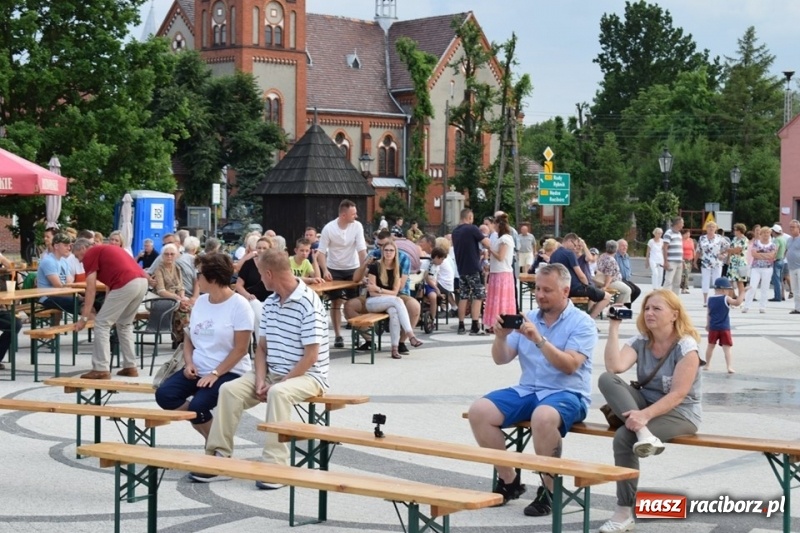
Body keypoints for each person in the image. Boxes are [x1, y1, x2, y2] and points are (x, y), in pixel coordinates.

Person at [467, 263, 596, 515]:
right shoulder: (528, 317)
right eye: (537, 288)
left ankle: (550, 490)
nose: (540, 295)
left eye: (547, 290)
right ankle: (509, 480)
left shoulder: (583, 323)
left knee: (543, 416)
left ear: (565, 291)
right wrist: (501, 336)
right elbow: (501, 359)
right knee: (479, 411)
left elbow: (569, 366)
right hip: (529, 390)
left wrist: (539, 340)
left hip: (568, 393)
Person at [201, 249, 329, 487]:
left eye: (260, 273)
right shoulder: (269, 303)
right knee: (229, 390)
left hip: (309, 376)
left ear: (269, 274)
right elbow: (261, 349)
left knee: (278, 393)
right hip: (272, 372)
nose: (259, 279)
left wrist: (278, 383)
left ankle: (275, 466)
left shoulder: (309, 303)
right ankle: (218, 455)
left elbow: (311, 357)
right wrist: (260, 379)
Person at [598, 289, 703, 533]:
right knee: (606, 379)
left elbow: (678, 394)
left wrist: (644, 415)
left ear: (674, 314)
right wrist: (614, 327)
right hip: (644, 407)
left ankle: (623, 512)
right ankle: (644, 433)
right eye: (646, 308)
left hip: (682, 412)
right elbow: (615, 367)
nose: (649, 313)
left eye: (657, 308)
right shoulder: (641, 341)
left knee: (625, 436)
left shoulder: (687, 347)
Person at [155, 253, 254, 446]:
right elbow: (189, 337)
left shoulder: (239, 305)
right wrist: (189, 363)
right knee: (165, 395)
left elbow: (241, 349)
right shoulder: (201, 301)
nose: (196, 278)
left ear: (213, 278)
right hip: (198, 368)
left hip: (230, 370)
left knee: (199, 406)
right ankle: (214, 440)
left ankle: (217, 448)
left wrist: (216, 374)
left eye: (199, 273)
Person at [72, 238, 149, 379]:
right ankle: (130, 366)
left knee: (101, 324)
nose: (79, 260)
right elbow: (110, 282)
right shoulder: (107, 249)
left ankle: (100, 368)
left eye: (77, 256)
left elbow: (90, 289)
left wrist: (84, 317)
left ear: (83, 248)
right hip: (142, 282)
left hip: (126, 283)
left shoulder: (90, 254)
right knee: (125, 324)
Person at [316, 199, 368, 349]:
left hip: (353, 267)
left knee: (353, 303)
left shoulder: (357, 226)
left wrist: (363, 271)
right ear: (344, 215)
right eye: (354, 214)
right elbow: (321, 252)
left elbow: (361, 251)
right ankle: (338, 335)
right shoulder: (329, 228)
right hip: (334, 268)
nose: (356, 216)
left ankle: (357, 334)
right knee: (336, 302)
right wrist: (325, 270)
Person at [365, 238, 424, 359]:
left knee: (394, 312)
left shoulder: (398, 268)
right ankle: (410, 334)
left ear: (395, 252)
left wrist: (380, 290)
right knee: (398, 300)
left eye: (391, 250)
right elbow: (371, 291)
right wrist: (384, 293)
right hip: (372, 302)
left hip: (387, 301)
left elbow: (395, 292)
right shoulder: (375, 266)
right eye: (386, 250)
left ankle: (394, 348)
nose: (388, 253)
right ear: (382, 251)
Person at [549, 233, 611, 319]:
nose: (575, 248)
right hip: (575, 288)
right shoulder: (569, 254)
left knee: (593, 294)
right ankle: (590, 320)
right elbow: (581, 275)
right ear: (570, 241)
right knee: (607, 297)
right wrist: (586, 286)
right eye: (574, 245)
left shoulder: (553, 255)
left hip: (562, 288)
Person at [452, 208, 492, 335]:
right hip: (473, 267)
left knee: (463, 295)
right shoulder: (472, 228)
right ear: (469, 217)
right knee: (478, 295)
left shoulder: (455, 231)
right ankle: (475, 325)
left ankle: (461, 324)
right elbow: (487, 243)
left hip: (461, 267)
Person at [153, 243, 192, 346]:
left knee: (189, 306)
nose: (169, 256)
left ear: (176, 255)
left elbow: (180, 286)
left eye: (172, 254)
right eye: (166, 254)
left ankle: (185, 338)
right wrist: (178, 298)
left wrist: (182, 297)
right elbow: (161, 290)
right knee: (182, 308)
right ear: (162, 255)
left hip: (176, 297)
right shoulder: (159, 269)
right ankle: (180, 339)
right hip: (163, 299)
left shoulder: (177, 268)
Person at [484, 213, 516, 334]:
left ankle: (500, 322)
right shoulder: (501, 238)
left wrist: (490, 248)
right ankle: (494, 322)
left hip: (502, 272)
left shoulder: (505, 239)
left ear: (498, 225)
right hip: (497, 271)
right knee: (496, 298)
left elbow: (501, 257)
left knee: (500, 299)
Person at [705, 277, 743, 373]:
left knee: (710, 346)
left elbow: (708, 313)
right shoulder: (726, 298)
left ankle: (707, 364)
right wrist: (743, 293)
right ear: (723, 290)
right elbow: (737, 303)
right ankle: (729, 366)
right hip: (724, 327)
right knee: (727, 348)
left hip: (713, 327)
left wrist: (707, 324)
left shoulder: (710, 299)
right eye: (728, 290)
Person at [234, 237, 273, 324]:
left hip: (268, 302)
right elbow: (239, 285)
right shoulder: (248, 264)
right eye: (259, 248)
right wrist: (248, 295)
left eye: (264, 248)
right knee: (255, 306)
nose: (261, 250)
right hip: (251, 300)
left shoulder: (274, 265)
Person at [36, 232, 77, 315]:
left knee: (89, 304)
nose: (69, 248)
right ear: (56, 246)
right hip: (47, 297)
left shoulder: (64, 261)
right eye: (66, 245)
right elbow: (58, 286)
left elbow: (69, 283)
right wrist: (77, 296)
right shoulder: (49, 261)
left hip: (59, 295)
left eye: (69, 246)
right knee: (83, 303)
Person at [743, 226, 776, 314]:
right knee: (752, 286)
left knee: (765, 288)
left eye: (768, 233)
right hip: (756, 268)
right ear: (760, 234)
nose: (766, 235)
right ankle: (746, 306)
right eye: (764, 233)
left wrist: (760, 254)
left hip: (768, 268)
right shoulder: (756, 243)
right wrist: (766, 255)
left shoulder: (772, 245)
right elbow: (754, 254)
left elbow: (772, 256)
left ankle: (762, 306)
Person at [695, 222, 724, 307]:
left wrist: (723, 255)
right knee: (705, 280)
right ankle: (705, 300)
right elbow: (698, 250)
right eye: (709, 227)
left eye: (713, 227)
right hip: (706, 262)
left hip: (717, 262)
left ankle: (717, 298)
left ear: (716, 229)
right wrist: (695, 261)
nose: (711, 228)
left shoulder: (720, 238)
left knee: (717, 280)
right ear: (706, 228)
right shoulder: (702, 238)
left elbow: (726, 248)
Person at [596, 241, 632, 306]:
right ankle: (616, 309)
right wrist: (605, 287)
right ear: (616, 249)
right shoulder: (611, 260)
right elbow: (609, 275)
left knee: (626, 289)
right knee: (627, 290)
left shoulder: (602, 256)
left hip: (602, 280)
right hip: (610, 282)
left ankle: (623, 310)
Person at [615, 239, 641, 307]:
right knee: (631, 289)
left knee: (637, 291)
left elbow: (628, 267)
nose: (625, 247)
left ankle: (625, 306)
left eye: (626, 246)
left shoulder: (626, 256)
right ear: (617, 247)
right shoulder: (615, 256)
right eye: (622, 246)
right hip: (619, 279)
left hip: (626, 279)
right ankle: (624, 307)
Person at [661, 217, 684, 295]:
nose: (683, 225)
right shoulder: (668, 233)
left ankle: (675, 298)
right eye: (682, 223)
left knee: (677, 282)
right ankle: (664, 296)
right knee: (669, 280)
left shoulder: (679, 234)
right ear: (677, 223)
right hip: (671, 261)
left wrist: (682, 260)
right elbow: (665, 247)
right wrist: (665, 261)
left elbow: (680, 248)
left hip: (679, 261)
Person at [726, 223, 749, 300]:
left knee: (740, 282)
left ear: (739, 231)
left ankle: (740, 299)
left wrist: (730, 250)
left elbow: (738, 250)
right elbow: (731, 249)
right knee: (730, 281)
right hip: (733, 262)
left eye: (735, 230)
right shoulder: (734, 239)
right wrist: (729, 256)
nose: (734, 231)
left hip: (741, 263)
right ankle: (731, 297)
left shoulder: (744, 240)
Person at [769, 224, 787, 302]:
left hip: (776, 261)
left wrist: (773, 257)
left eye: (772, 231)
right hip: (782, 260)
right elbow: (786, 249)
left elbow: (775, 249)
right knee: (780, 280)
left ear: (775, 231)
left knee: (776, 280)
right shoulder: (783, 239)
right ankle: (780, 296)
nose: (771, 232)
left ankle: (777, 297)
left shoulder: (776, 240)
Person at [785, 220, 800, 314]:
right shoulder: (789, 239)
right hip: (791, 266)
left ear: (798, 228)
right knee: (794, 289)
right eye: (790, 227)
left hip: (799, 266)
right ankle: (797, 308)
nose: (791, 229)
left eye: (793, 227)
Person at [679, 228, 695, 294]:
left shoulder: (691, 240)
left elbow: (693, 249)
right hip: (683, 259)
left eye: (689, 234)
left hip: (690, 259)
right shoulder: (680, 241)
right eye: (686, 234)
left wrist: (694, 258)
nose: (688, 235)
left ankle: (684, 287)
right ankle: (683, 287)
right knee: (685, 273)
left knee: (687, 274)